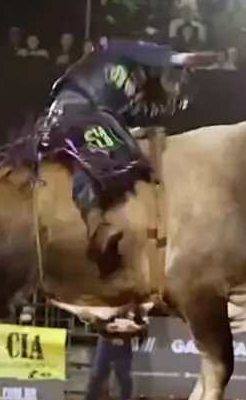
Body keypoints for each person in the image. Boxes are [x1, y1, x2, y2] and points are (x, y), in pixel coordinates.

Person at [39, 39, 209, 275]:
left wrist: (138, 131)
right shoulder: (120, 52)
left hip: (90, 115)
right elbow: (150, 52)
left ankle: (108, 224)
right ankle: (96, 224)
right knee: (110, 156)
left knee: (125, 155)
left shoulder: (133, 92)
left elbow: (126, 119)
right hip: (74, 107)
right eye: (175, 90)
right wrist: (183, 58)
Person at [82, 334, 134, 400]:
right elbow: (99, 326)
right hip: (106, 343)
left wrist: (132, 334)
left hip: (124, 346)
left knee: (126, 381)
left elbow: (141, 329)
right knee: (96, 376)